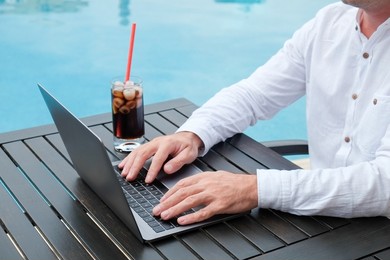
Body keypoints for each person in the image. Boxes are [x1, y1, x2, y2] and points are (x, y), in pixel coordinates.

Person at [119, 0, 390, 225]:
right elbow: (253, 95)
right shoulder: (329, 23)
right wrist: (192, 135)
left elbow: (385, 183)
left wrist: (254, 189)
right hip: (319, 217)